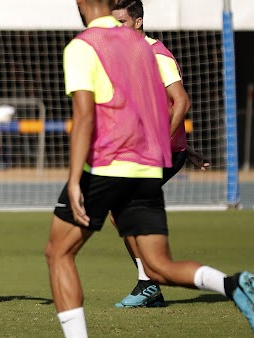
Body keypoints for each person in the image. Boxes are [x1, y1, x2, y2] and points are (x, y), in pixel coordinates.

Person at [44, 1, 254, 337]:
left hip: (106, 165)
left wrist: (73, 179)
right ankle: (233, 285)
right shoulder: (143, 46)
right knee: (158, 267)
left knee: (58, 253)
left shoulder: (83, 46)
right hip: (144, 170)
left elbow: (84, 117)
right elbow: (158, 104)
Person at [111, 0, 210, 308]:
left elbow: (181, 101)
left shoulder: (156, 54)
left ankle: (150, 281)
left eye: (123, 23)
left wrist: (164, 143)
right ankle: (150, 283)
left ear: (138, 23)